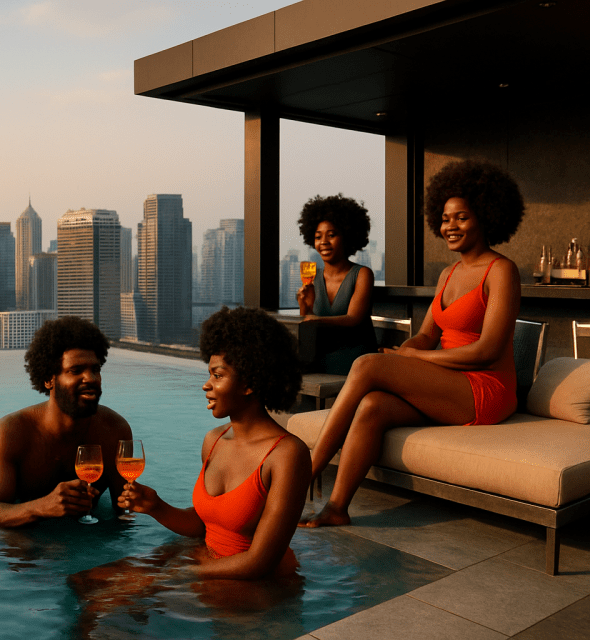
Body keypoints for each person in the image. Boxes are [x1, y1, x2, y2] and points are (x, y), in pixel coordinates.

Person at [300, 159, 525, 528]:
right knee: (372, 406)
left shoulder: (501, 270)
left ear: (486, 215)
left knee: (368, 365)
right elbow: (426, 335)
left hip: (485, 388)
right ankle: (336, 508)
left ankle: (304, 473)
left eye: (462, 217)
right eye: (445, 218)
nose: (450, 226)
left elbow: (488, 351)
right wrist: (410, 351)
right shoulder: (448, 273)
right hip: (450, 382)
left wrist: (418, 358)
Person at [118, 307, 311, 579]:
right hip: (210, 567)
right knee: (85, 585)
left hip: (249, 584)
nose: (206, 385)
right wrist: (157, 507)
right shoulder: (214, 440)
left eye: (218, 376)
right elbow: (206, 525)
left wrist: (178, 576)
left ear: (249, 383)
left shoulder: (286, 455)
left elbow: (260, 562)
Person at [0, 316, 132, 528]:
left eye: (95, 370)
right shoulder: (10, 432)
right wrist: (41, 507)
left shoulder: (115, 431)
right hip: (28, 538)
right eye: (76, 371)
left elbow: (125, 512)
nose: (91, 378)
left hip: (89, 537)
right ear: (49, 379)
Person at [296, 194, 377, 375]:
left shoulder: (362, 274)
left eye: (331, 235)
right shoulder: (312, 279)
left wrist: (315, 319)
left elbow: (353, 319)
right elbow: (308, 325)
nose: (323, 242)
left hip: (357, 360)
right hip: (320, 358)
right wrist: (305, 306)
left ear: (347, 237)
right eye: (318, 237)